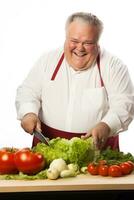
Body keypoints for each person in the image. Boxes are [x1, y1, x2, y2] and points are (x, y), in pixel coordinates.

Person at [15, 12, 134, 150]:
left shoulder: (113, 66)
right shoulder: (47, 60)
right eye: (74, 41)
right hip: (48, 148)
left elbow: (124, 104)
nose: (80, 48)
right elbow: (28, 91)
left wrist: (107, 126)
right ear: (66, 37)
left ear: (97, 41)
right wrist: (28, 113)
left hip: (96, 152)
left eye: (88, 43)